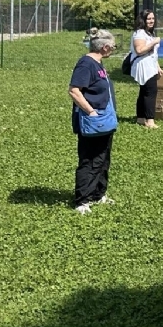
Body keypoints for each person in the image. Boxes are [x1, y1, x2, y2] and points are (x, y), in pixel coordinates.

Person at [68, 28, 119, 213]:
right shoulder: (86, 64)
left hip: (104, 120)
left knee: (103, 159)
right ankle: (82, 200)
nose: (113, 49)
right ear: (105, 47)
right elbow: (74, 90)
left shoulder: (98, 63)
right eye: (113, 47)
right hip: (93, 121)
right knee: (89, 160)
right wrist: (90, 112)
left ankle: (99, 193)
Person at [130, 9, 163, 128]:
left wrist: (157, 66)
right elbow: (139, 50)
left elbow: (152, 54)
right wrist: (154, 42)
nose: (151, 21)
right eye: (149, 18)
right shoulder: (140, 33)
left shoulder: (148, 33)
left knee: (144, 92)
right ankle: (150, 121)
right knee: (150, 92)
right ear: (143, 20)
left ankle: (140, 118)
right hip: (144, 67)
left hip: (150, 65)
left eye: (153, 18)